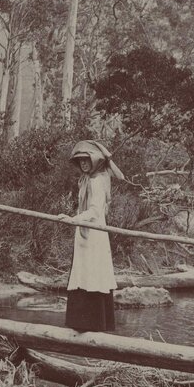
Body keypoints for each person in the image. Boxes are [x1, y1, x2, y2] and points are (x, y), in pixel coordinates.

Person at [58, 140, 124, 332]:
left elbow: (95, 211)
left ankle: (94, 323)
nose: (84, 164)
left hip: (94, 232)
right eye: (80, 161)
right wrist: (76, 220)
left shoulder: (97, 182)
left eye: (86, 160)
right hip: (85, 232)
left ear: (94, 161)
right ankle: (80, 323)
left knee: (93, 273)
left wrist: (73, 219)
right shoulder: (86, 181)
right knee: (84, 272)